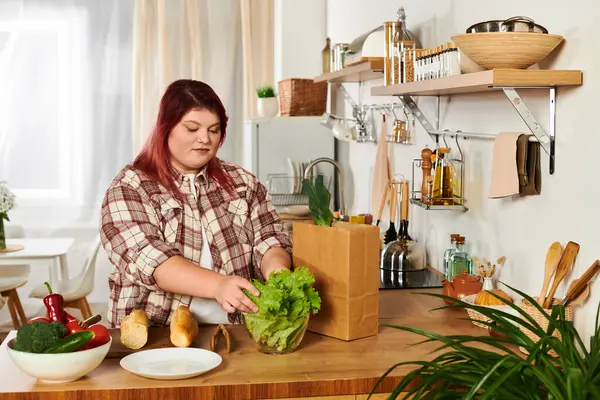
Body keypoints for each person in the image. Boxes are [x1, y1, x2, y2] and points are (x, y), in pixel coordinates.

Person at [100, 79, 292, 328]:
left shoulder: (242, 182)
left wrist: (277, 271)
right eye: (192, 128)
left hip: (237, 331)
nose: (205, 139)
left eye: (214, 130)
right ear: (165, 128)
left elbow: (270, 237)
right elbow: (153, 261)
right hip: (156, 337)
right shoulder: (129, 187)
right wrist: (218, 285)